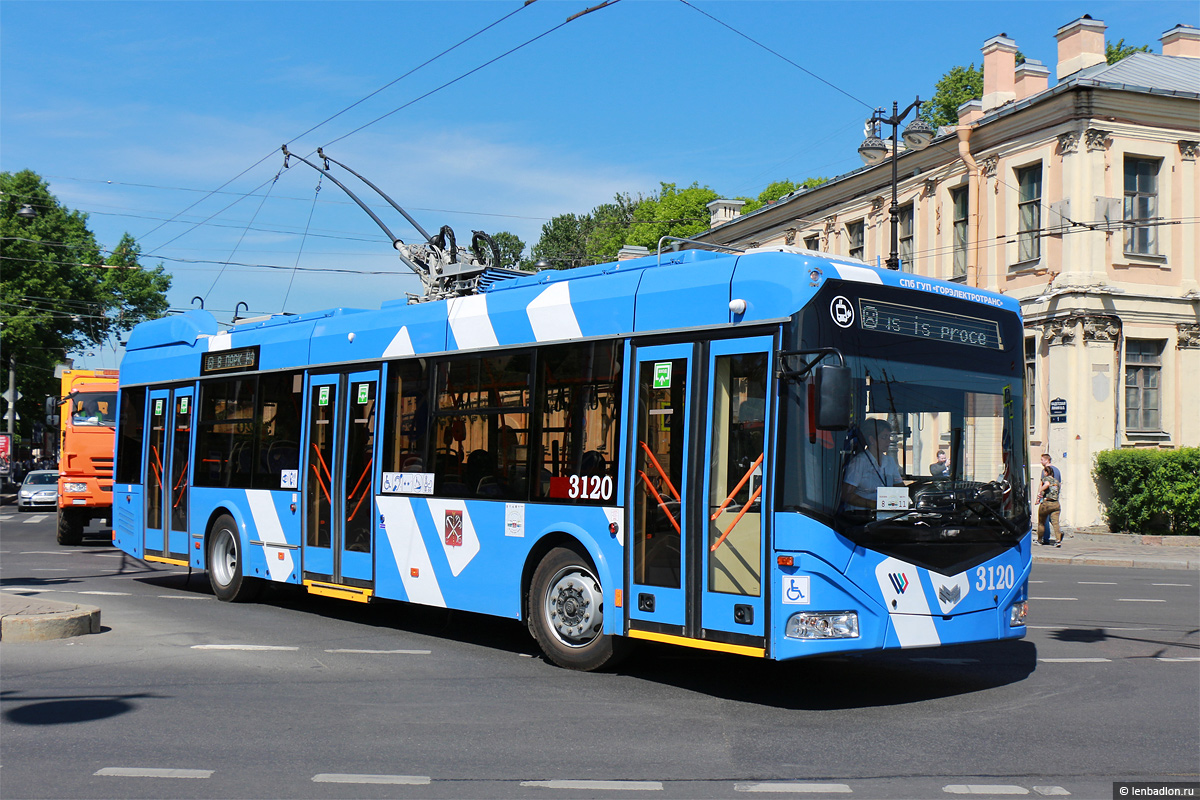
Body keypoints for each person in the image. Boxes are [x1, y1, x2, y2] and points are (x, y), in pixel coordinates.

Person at [842, 418, 904, 510]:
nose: (889, 441)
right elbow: (846, 494)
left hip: (885, 515)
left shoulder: (890, 461)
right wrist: (872, 504)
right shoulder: (859, 462)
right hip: (860, 517)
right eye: (884, 437)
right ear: (872, 440)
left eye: (889, 437)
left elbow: (900, 487)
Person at [1035, 464, 1062, 546]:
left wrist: (1040, 491)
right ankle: (1058, 540)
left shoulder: (1046, 479)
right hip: (1056, 504)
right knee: (1055, 523)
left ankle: (1040, 540)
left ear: (1046, 472)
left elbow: (1046, 484)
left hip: (1047, 504)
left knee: (1041, 522)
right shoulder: (1056, 481)